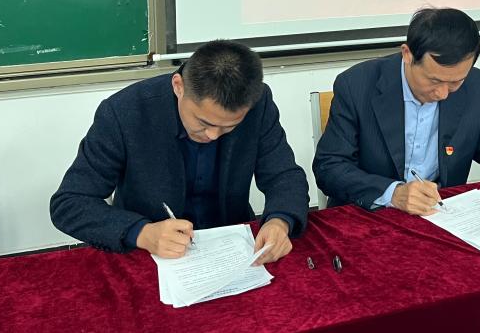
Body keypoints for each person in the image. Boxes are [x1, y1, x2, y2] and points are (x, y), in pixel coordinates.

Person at [50, 39, 308, 263]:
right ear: (178, 86)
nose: (212, 135)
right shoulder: (124, 112)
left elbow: (284, 175)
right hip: (147, 253)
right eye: (203, 122)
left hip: (229, 246)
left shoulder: (258, 104)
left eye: (229, 127)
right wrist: (142, 233)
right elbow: (70, 203)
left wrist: (279, 221)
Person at [313, 7, 480, 214]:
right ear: (407, 54)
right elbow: (329, 167)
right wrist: (393, 193)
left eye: (455, 82)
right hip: (372, 216)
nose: (443, 94)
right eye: (434, 80)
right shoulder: (357, 85)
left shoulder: (476, 86)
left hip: (440, 216)